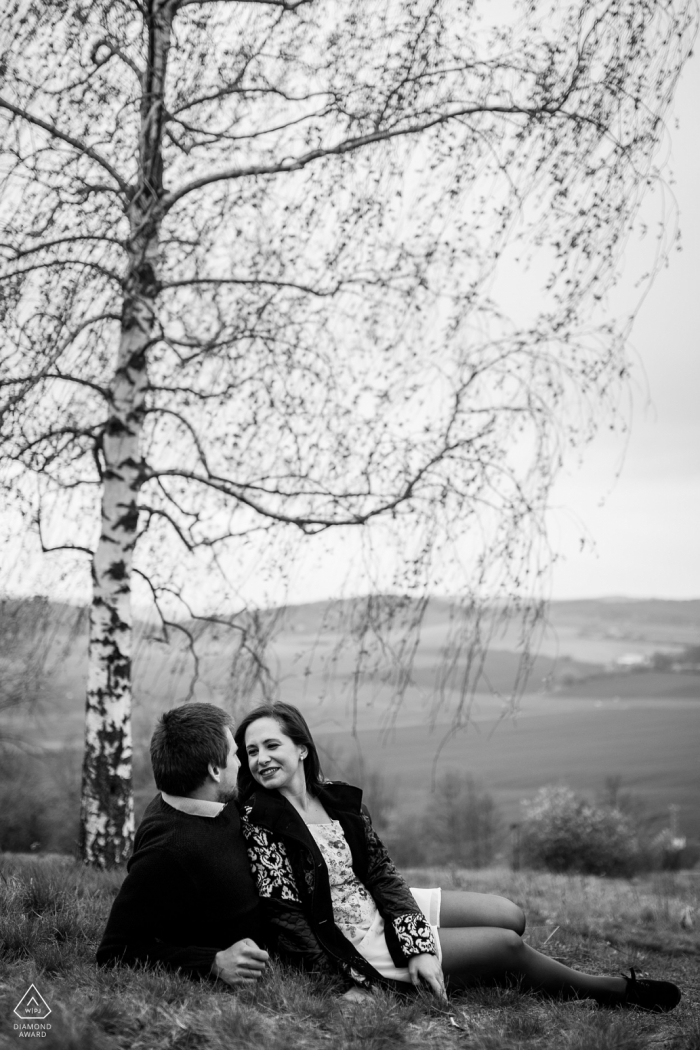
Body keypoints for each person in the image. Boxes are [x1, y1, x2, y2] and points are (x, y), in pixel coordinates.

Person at [234, 701, 681, 1012]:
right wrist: (350, 982)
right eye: (252, 752)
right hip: (352, 937)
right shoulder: (262, 821)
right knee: (504, 944)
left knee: (511, 915)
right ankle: (612, 991)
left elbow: (381, 873)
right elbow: (285, 915)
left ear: (301, 748)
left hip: (376, 902)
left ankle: (456, 963)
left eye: (272, 745)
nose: (261, 759)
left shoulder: (334, 799)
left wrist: (419, 942)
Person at [96, 703, 269, 987]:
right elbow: (116, 950)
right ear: (214, 770)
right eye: (235, 755)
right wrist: (212, 961)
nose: (241, 763)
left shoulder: (207, 795)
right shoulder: (166, 852)